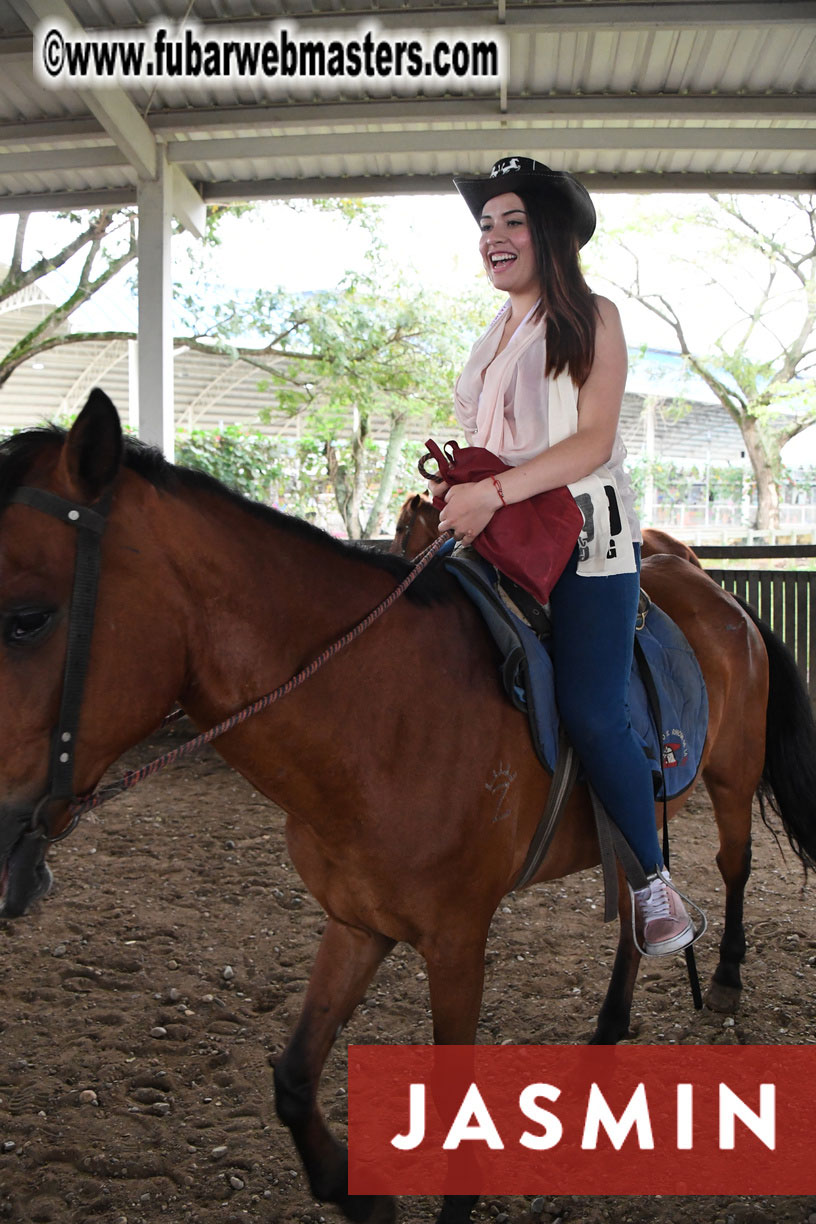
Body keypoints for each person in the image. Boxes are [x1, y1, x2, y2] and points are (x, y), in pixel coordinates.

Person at [437, 155, 700, 956]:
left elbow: (593, 440)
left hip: (587, 544)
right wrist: (459, 495)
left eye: (512, 221)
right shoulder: (491, 335)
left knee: (591, 706)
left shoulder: (592, 315)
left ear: (549, 234)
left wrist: (495, 495)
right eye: (486, 224)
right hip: (494, 537)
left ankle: (654, 884)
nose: (494, 236)